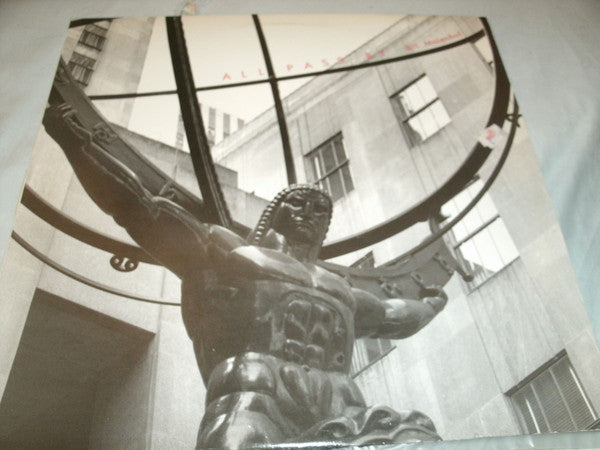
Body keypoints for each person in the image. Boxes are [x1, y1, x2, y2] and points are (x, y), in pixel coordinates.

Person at [44, 104, 448, 448]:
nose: (308, 213)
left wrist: (432, 304)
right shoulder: (234, 256)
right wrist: (77, 145)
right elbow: (142, 211)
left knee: (415, 436)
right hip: (254, 397)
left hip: (342, 405)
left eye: (318, 210)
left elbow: (394, 316)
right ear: (274, 215)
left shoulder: (341, 290)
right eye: (297, 204)